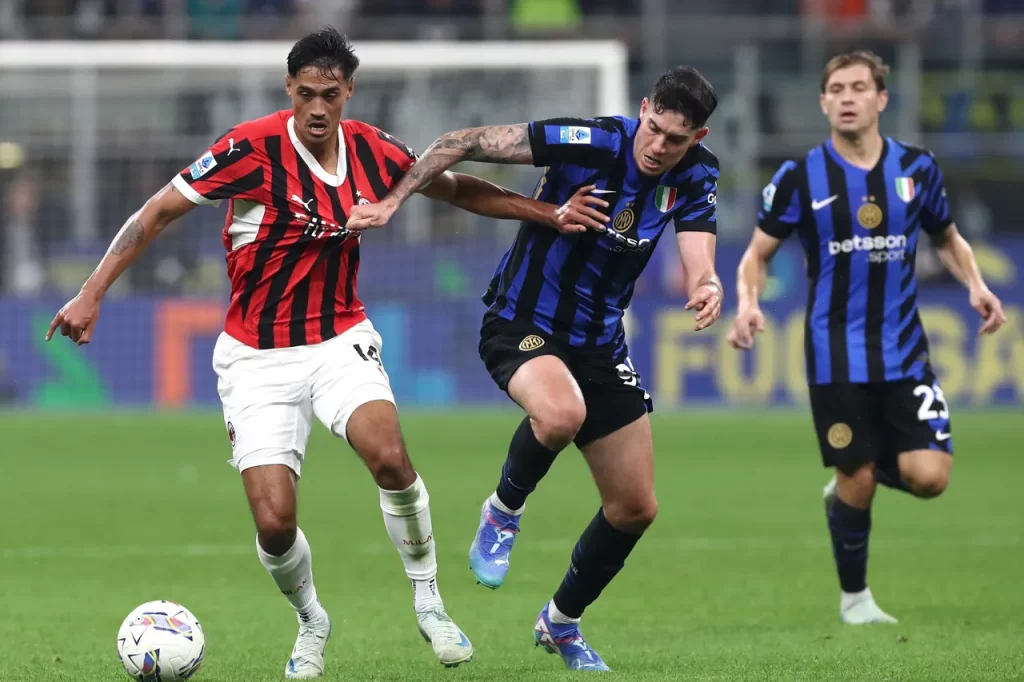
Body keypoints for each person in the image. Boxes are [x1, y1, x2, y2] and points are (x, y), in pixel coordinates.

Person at [45, 27, 604, 679]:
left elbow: (455, 188)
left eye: (329, 95)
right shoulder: (249, 149)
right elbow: (158, 211)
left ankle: (429, 600)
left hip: (339, 339)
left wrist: (547, 213)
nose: (317, 108)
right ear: (289, 88)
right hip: (255, 357)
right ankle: (311, 620)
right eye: (306, 93)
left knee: (388, 455)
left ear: (348, 93)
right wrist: (91, 292)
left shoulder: (372, 150)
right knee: (274, 522)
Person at [348, 66, 723, 671]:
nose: (658, 146)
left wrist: (706, 284)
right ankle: (503, 512)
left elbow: (697, 254)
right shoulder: (592, 141)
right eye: (654, 128)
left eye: (675, 139)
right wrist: (393, 201)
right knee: (561, 414)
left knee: (635, 507)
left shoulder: (697, 175)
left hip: (600, 346)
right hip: (522, 322)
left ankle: (561, 622)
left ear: (696, 138)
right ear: (643, 109)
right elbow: (464, 141)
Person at [726, 51, 1007, 624]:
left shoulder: (917, 169)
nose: (847, 97)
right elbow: (756, 254)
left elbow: (947, 237)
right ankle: (855, 599)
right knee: (858, 476)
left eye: (858, 87)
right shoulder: (799, 177)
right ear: (823, 102)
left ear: (881, 99)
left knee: (929, 478)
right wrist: (749, 303)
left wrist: (976, 285)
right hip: (834, 352)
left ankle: (849, 475)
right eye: (836, 89)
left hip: (905, 350)